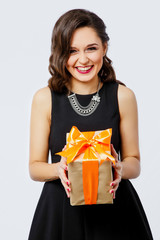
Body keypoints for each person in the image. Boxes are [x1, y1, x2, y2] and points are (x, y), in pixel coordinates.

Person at [28, 9, 153, 240]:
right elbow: (35, 167)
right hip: (59, 211)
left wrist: (119, 168)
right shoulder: (44, 98)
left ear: (104, 48)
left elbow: (134, 162)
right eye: (72, 51)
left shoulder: (123, 96)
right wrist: (59, 168)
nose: (82, 59)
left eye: (91, 48)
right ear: (60, 53)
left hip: (116, 210)